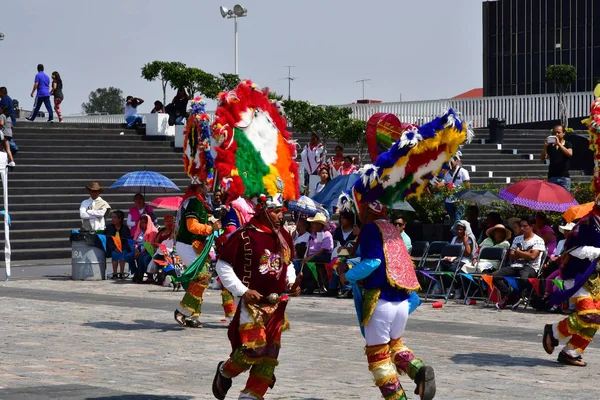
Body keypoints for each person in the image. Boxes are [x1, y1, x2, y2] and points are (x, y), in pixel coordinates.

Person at [338, 201, 436, 400]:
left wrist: (347, 276)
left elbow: (373, 262)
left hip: (380, 301)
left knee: (378, 357)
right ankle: (419, 372)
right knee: (395, 345)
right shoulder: (392, 228)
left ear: (366, 210)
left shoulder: (370, 229)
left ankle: (398, 398)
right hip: (401, 301)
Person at [212, 194, 301, 400]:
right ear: (263, 211)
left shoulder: (284, 236)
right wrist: (243, 291)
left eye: (282, 212)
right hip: (251, 305)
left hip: (278, 305)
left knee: (270, 355)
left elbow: (286, 264)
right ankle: (225, 371)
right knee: (254, 350)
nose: (281, 217)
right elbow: (222, 265)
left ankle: (250, 396)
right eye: (276, 212)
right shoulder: (243, 235)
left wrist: (291, 283)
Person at [173, 182, 214, 328]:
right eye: (207, 183)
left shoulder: (201, 202)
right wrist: (211, 228)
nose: (211, 186)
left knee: (198, 281)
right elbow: (192, 227)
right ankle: (182, 310)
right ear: (199, 187)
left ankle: (193, 316)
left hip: (195, 246)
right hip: (187, 244)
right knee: (201, 277)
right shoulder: (194, 202)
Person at [493, 216, 545, 309]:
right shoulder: (517, 239)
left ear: (532, 226)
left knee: (523, 279)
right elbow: (511, 255)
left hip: (530, 267)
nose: (522, 228)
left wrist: (519, 252)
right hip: (516, 265)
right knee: (495, 276)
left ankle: (507, 298)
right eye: (521, 226)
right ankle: (513, 297)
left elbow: (533, 257)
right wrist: (526, 253)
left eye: (525, 226)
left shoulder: (538, 240)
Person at [440, 220, 478, 299]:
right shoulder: (454, 238)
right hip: (454, 259)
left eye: (461, 229)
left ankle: (458, 289)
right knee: (442, 267)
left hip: (464, 260)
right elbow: (451, 250)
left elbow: (467, 253)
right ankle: (448, 289)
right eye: (457, 229)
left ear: (465, 230)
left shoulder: (469, 239)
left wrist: (465, 241)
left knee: (453, 269)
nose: (459, 231)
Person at [438, 156, 470, 222]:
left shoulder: (463, 171)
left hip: (459, 200)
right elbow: (446, 185)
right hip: (449, 201)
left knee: (458, 220)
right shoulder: (447, 174)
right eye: (449, 162)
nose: (450, 163)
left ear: (457, 161)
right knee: (452, 221)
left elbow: (467, 186)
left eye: (452, 162)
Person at [541, 124, 573, 191]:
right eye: (555, 133)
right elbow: (543, 158)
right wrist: (545, 146)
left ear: (564, 133)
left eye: (559, 132)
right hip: (552, 176)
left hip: (564, 176)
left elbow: (570, 154)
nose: (557, 134)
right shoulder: (550, 146)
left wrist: (559, 144)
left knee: (565, 198)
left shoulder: (567, 144)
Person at [105, 210, 132, 279]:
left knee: (123, 253)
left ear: (119, 219)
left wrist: (121, 248)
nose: (112, 219)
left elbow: (127, 240)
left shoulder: (125, 228)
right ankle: (114, 273)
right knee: (114, 254)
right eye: (112, 217)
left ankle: (122, 272)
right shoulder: (109, 228)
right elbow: (108, 239)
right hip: (113, 247)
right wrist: (114, 247)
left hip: (123, 247)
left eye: (115, 217)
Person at [131, 214, 158, 283]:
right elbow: (135, 242)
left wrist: (140, 253)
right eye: (141, 222)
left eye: (144, 223)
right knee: (128, 256)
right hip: (139, 250)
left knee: (143, 257)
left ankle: (147, 276)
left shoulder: (152, 231)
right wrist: (136, 249)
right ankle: (136, 273)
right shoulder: (139, 231)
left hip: (150, 251)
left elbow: (149, 245)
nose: (143, 224)